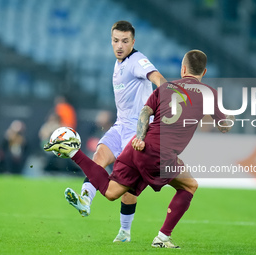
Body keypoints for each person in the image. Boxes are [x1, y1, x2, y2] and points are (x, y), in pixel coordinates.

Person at [44, 50, 235, 248]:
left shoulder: (166, 88)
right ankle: (162, 238)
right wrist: (230, 118)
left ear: (183, 68)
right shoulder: (208, 94)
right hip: (162, 154)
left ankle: (74, 153)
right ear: (204, 71)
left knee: (110, 191)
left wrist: (140, 138)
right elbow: (224, 127)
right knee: (189, 186)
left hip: (137, 145)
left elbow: (145, 111)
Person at [63, 20, 165, 243]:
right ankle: (86, 202)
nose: (120, 45)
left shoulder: (137, 60)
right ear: (111, 41)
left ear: (133, 42)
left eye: (125, 41)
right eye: (116, 40)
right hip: (120, 126)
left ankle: (125, 232)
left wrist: (164, 93)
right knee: (98, 156)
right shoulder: (119, 63)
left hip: (138, 133)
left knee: (126, 188)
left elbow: (156, 77)